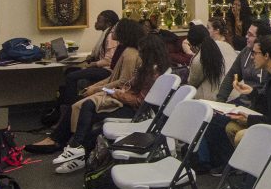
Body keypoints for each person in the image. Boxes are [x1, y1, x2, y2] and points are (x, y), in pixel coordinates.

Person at [31, 33, 168, 173]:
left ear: (149, 52)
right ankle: (76, 149)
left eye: (142, 51)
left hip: (135, 110)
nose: (140, 54)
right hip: (127, 100)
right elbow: (130, 85)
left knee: (89, 114)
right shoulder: (148, 68)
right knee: (87, 106)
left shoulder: (153, 73)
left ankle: (76, 150)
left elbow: (139, 101)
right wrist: (116, 90)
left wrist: (116, 93)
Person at [57, 9, 120, 113]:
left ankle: (70, 108)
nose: (96, 23)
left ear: (108, 23)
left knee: (71, 76)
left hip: (107, 70)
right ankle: (68, 104)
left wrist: (93, 64)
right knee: (69, 71)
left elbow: (109, 61)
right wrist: (91, 57)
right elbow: (100, 52)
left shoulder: (111, 36)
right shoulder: (105, 33)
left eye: (99, 21)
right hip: (101, 67)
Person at [215, 20, 271, 106]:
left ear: (260, 38)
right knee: (214, 116)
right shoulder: (245, 52)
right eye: (247, 33)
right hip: (243, 101)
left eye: (250, 35)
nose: (246, 36)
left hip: (261, 104)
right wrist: (220, 101)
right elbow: (231, 76)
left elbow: (269, 90)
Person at [185, 23, 236, 102]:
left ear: (193, 45)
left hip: (216, 101)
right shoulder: (226, 45)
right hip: (236, 94)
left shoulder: (199, 59)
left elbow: (192, 84)